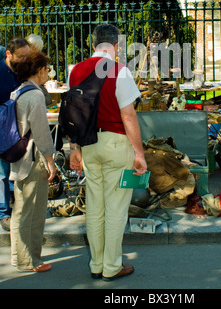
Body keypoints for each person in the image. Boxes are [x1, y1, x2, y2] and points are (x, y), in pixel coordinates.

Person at [69, 23, 147, 281]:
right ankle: (112, 266)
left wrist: (74, 148)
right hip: (115, 142)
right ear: (116, 47)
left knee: (94, 206)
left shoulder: (76, 71)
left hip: (88, 143)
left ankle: (96, 263)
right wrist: (140, 154)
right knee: (115, 208)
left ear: (93, 45)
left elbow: (74, 114)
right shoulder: (119, 71)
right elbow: (129, 115)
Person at [10, 51, 56, 272]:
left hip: (18, 157)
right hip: (33, 157)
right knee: (34, 210)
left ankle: (17, 256)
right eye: (47, 68)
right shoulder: (36, 96)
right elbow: (41, 133)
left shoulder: (17, 92)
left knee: (20, 209)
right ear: (39, 70)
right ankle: (30, 260)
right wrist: (50, 160)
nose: (48, 72)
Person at [0, 38, 31, 231]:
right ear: (8, 54)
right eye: (20, 56)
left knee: (19, 168)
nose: (24, 60)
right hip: (3, 128)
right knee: (2, 171)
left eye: (26, 56)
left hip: (19, 128)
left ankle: (19, 207)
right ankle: (4, 212)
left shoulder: (21, 69)